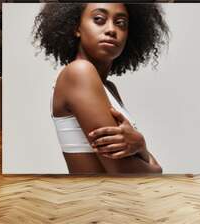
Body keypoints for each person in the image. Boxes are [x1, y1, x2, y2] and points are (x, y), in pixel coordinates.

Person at [33, 3, 169, 174]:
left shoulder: (109, 88)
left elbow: (133, 157)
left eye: (121, 23)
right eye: (99, 19)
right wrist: (153, 165)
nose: (111, 29)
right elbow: (125, 173)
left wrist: (140, 144)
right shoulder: (80, 72)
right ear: (77, 28)